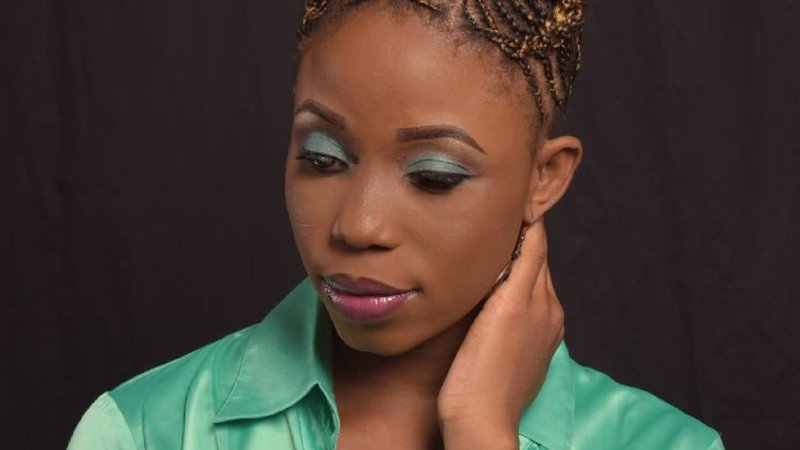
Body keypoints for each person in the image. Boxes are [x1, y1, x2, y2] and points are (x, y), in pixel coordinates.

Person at [68, 1, 724, 449]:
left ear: (544, 178)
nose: (360, 225)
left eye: (434, 175)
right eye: (322, 158)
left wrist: (480, 432)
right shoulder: (145, 431)